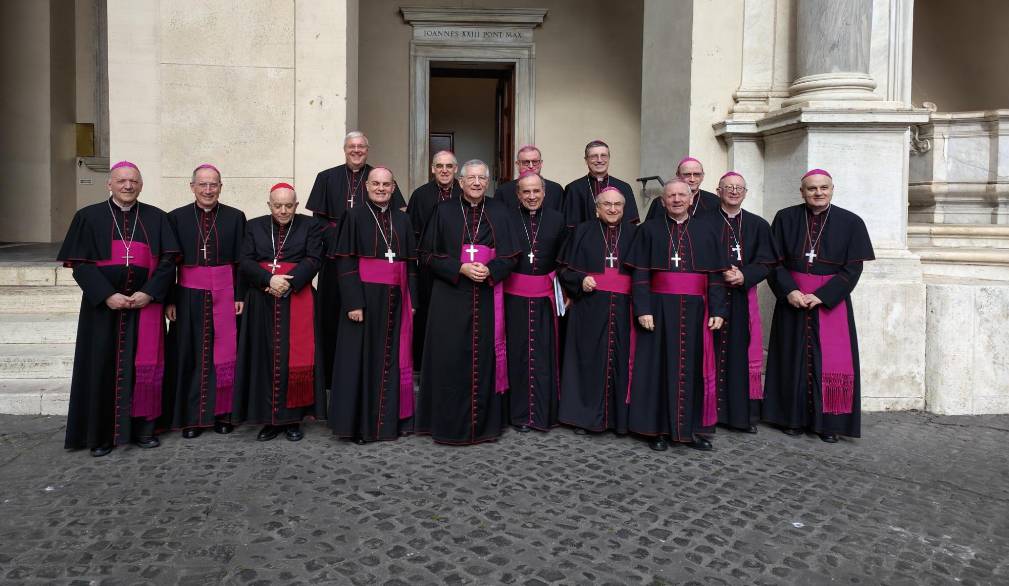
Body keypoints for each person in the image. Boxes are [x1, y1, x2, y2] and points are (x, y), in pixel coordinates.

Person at [57, 161, 180, 456]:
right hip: (102, 309)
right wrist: (106, 294)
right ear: (109, 184)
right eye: (122, 181)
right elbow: (80, 265)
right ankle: (100, 435)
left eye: (134, 181)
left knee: (146, 369)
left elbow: (168, 263)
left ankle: (144, 430)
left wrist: (149, 293)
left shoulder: (156, 218)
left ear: (140, 185)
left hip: (144, 307)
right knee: (100, 367)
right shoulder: (88, 217)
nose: (128, 186)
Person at [763, 169, 874, 443]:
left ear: (832, 189)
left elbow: (853, 268)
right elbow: (773, 262)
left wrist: (824, 295)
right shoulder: (785, 218)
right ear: (802, 192)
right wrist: (789, 290)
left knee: (829, 362)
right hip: (793, 300)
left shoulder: (851, 222)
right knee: (790, 358)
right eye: (812, 188)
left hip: (829, 303)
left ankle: (829, 424)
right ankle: (791, 419)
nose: (818, 193)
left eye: (824, 187)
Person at [415, 159, 519, 445]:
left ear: (488, 183)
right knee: (449, 359)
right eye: (470, 178)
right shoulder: (443, 211)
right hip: (450, 298)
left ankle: (485, 426)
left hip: (487, 295)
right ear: (460, 182)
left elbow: (511, 256)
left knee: (485, 357)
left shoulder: (500, 211)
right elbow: (425, 255)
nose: (476, 183)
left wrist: (492, 270)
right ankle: (447, 424)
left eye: (481, 178)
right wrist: (458, 268)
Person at [625, 179, 729, 452]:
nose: (676, 199)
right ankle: (657, 430)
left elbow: (715, 276)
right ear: (662, 201)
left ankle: (689, 431)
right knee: (657, 369)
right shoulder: (648, 230)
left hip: (696, 311)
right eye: (671, 195)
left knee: (692, 369)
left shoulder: (707, 231)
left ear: (691, 199)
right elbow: (640, 274)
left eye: (682, 195)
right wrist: (643, 308)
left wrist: (718, 309)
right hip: (658, 309)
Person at [306, 131, 406, 392]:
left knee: (364, 321)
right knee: (331, 315)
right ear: (344, 149)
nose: (357, 150)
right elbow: (318, 222)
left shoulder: (379, 178)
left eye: (361, 146)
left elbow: (397, 216)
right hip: (334, 259)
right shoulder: (326, 177)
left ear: (368, 149)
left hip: (368, 262)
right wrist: (342, 239)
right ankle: (329, 377)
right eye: (352, 146)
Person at [328, 167, 418, 443]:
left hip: (396, 299)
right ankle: (360, 426)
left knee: (392, 359)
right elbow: (344, 261)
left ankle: (392, 421)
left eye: (386, 185)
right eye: (376, 184)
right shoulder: (353, 216)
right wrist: (354, 302)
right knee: (362, 361)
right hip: (364, 300)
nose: (381, 188)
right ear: (366, 187)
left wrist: (412, 298)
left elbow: (411, 265)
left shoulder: (402, 220)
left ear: (393, 188)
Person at [232, 183, 325, 441]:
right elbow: (245, 261)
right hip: (261, 300)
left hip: (298, 297)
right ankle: (269, 419)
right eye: (277, 205)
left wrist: (288, 283)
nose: (283, 210)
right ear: (269, 205)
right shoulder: (253, 226)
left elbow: (314, 258)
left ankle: (293, 419)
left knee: (292, 358)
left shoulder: (310, 226)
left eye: (288, 205)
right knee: (264, 358)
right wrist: (268, 280)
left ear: (296, 205)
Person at [161, 164, 247, 438]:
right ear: (192, 187)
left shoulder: (235, 217)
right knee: (190, 355)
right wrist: (170, 299)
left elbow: (242, 262)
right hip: (188, 295)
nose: (208, 190)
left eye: (213, 185)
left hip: (225, 293)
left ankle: (223, 415)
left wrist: (241, 295)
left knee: (224, 355)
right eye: (203, 184)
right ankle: (191, 419)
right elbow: (169, 263)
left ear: (221, 187)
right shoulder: (176, 218)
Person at [557, 186, 638, 435]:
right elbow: (563, 269)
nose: (613, 209)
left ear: (624, 208)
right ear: (597, 208)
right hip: (589, 308)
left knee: (622, 361)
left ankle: (618, 420)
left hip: (625, 308)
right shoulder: (582, 231)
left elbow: (645, 272)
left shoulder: (636, 233)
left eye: (618, 205)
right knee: (587, 361)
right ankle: (585, 418)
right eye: (607, 205)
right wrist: (580, 280)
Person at [708, 172, 777, 433]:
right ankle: (709, 413)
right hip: (712, 297)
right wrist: (722, 273)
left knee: (740, 353)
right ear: (718, 190)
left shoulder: (758, 225)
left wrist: (744, 275)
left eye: (739, 188)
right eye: (728, 187)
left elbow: (767, 261)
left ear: (746, 193)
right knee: (711, 353)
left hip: (741, 298)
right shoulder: (703, 222)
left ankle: (740, 416)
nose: (734, 192)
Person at [503, 172, 567, 432]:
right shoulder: (507, 218)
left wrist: (567, 291)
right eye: (526, 192)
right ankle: (518, 415)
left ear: (544, 192)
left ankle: (544, 414)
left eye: (536, 191)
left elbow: (564, 259)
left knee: (544, 355)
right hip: (513, 298)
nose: (531, 196)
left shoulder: (557, 220)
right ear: (518, 195)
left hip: (545, 299)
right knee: (515, 354)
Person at [406, 150, 461, 367]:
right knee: (427, 313)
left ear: (456, 169)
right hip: (427, 267)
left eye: (449, 166)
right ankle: (423, 363)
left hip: (457, 266)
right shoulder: (420, 195)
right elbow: (411, 232)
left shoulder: (465, 192)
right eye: (440, 166)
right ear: (432, 169)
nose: (444, 170)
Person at [562, 140, 639, 228]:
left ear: (609, 158)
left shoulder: (624, 187)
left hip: (618, 240)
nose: (599, 160)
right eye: (594, 156)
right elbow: (570, 228)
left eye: (603, 156)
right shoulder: (574, 189)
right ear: (586, 160)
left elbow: (631, 227)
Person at [645, 157, 720, 220]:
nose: (692, 179)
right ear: (678, 175)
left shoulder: (714, 201)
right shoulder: (660, 202)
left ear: (702, 176)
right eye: (687, 175)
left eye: (697, 174)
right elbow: (649, 230)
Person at [494, 145, 565, 212]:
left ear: (541, 164)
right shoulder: (503, 191)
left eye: (535, 162)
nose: (531, 166)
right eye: (526, 162)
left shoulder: (556, 189)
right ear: (517, 164)